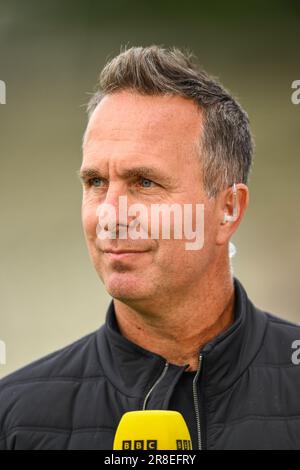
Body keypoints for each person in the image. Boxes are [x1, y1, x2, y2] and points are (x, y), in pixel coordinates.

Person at [0, 46, 299, 450]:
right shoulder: (16, 418)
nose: (110, 214)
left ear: (228, 210)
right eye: (95, 183)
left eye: (144, 182)